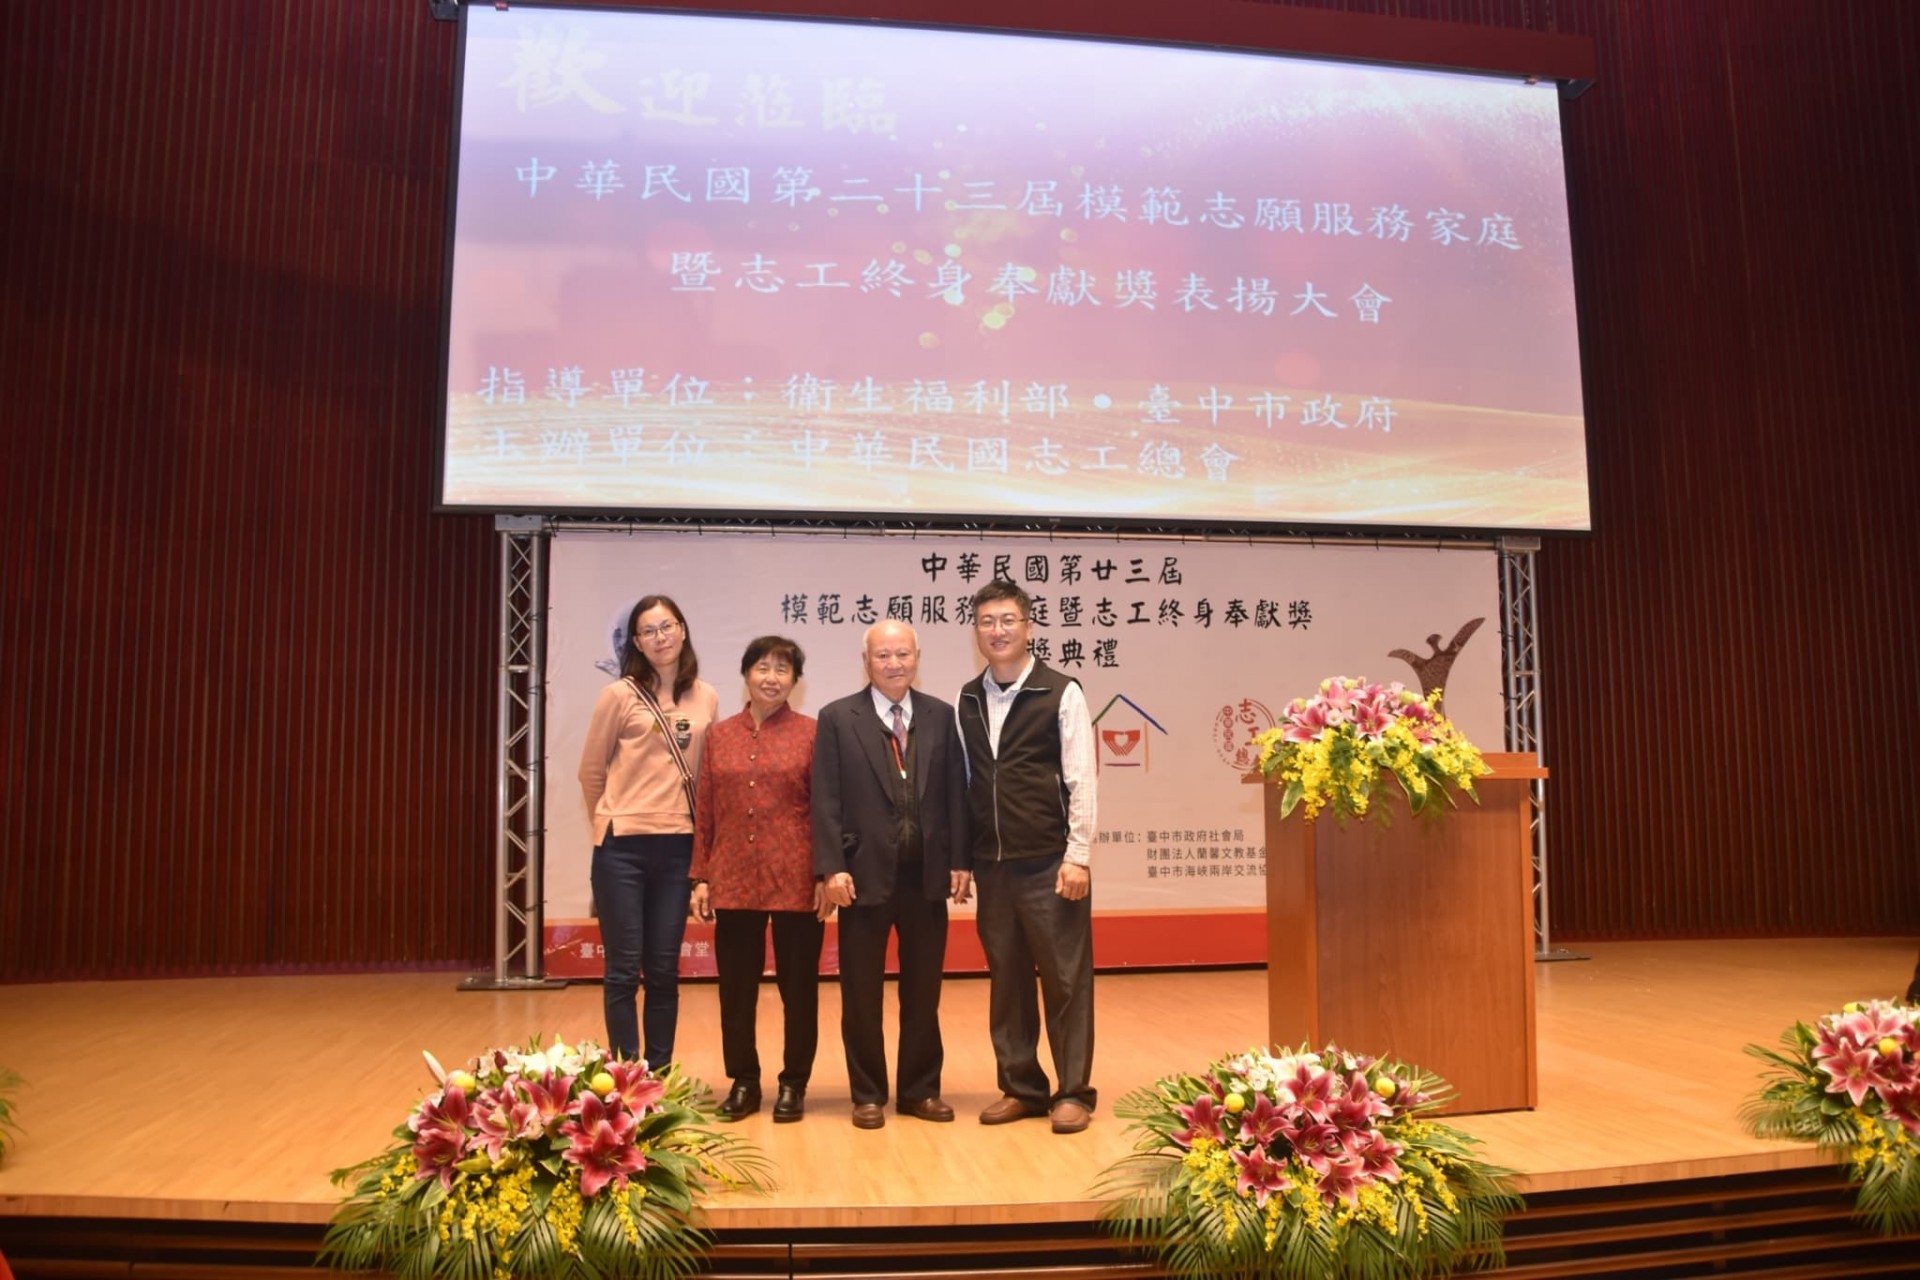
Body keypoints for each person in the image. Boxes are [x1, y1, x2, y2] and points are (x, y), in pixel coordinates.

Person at [812, 620, 972, 1130]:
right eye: (883, 655)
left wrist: (961, 860)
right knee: (861, 993)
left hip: (926, 875)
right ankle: (867, 1093)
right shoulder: (838, 718)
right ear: (866, 662)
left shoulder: (941, 716)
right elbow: (825, 799)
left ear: (917, 658)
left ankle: (921, 1090)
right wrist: (831, 867)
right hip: (861, 877)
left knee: (923, 990)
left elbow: (956, 794)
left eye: (903, 654)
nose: (894, 663)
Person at [957, 580, 1099, 1135]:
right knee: (1007, 979)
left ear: (1028, 626)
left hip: (1050, 862)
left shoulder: (1060, 691)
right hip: (993, 865)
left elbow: (1081, 778)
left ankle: (1073, 1092)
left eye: (1007, 620)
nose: (997, 631)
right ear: (976, 631)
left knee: (1065, 980)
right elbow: (969, 783)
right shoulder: (969, 698)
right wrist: (965, 857)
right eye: (987, 621)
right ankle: (1021, 1087)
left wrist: (1078, 855)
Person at [690, 636, 829, 1123]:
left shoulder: (812, 734)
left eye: (782, 670)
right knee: (736, 989)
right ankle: (744, 1081)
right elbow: (705, 808)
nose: (772, 677)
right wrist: (700, 876)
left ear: (795, 681)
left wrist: (824, 873)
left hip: (796, 878)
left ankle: (794, 1083)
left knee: (799, 989)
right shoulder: (720, 735)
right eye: (762, 668)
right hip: (732, 876)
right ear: (746, 674)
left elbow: (826, 809)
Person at [578, 594, 718, 1068]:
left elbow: (708, 777)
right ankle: (624, 1078)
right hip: (621, 850)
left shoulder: (706, 696)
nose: (660, 638)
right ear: (636, 642)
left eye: (667, 626)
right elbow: (590, 772)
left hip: (679, 849)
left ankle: (659, 1076)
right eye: (649, 631)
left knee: (663, 971)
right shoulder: (618, 695)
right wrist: (613, 820)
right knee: (622, 972)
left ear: (683, 629)